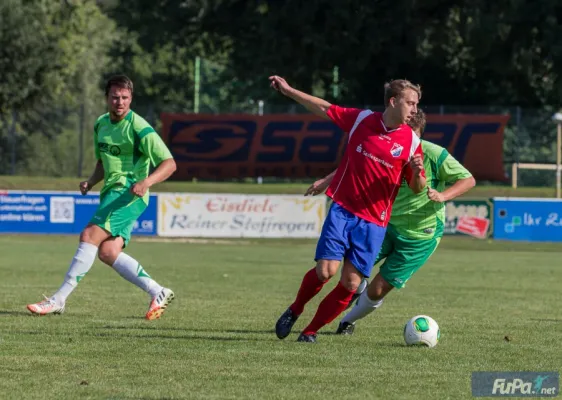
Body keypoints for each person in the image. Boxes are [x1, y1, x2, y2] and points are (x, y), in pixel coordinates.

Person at [270, 75, 427, 343]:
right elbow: (323, 107)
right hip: (343, 210)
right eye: (410, 103)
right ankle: (295, 309)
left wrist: (417, 172)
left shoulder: (412, 142)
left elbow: (417, 187)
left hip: (374, 223)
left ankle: (310, 331)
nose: (414, 109)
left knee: (352, 284)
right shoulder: (362, 120)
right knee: (325, 271)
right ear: (393, 101)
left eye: (416, 104)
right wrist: (289, 91)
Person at [307, 109, 476, 335]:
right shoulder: (390, 144)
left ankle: (346, 321)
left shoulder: (434, 154)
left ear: (419, 135)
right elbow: (357, 163)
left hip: (419, 237)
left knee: (377, 290)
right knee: (349, 276)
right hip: (385, 227)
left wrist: (443, 196)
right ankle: (318, 319)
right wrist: (328, 180)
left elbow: (468, 179)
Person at [27, 75, 177, 320]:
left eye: (125, 98)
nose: (120, 102)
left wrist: (146, 182)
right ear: (107, 98)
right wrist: (91, 181)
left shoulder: (139, 127)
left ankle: (58, 299)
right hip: (111, 193)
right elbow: (102, 160)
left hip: (129, 194)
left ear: (131, 99)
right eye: (115, 97)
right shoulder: (101, 124)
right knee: (107, 252)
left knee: (88, 235)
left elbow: (170, 164)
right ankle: (158, 291)